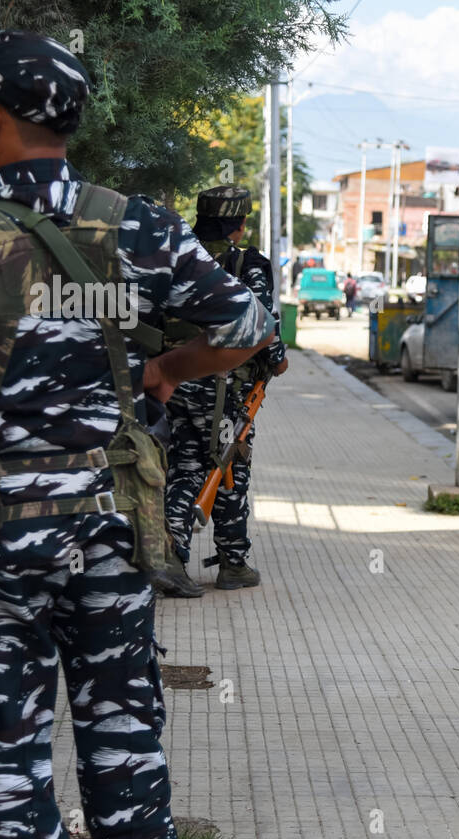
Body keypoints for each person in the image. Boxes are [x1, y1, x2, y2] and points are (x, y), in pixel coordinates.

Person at [0, 30, 276, 839]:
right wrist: (166, 365)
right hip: (111, 529)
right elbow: (248, 327)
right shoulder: (140, 229)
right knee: (125, 748)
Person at [154, 186, 288, 598]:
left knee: (201, 461)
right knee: (221, 463)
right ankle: (181, 557)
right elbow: (262, 325)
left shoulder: (176, 254)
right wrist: (278, 360)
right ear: (240, 223)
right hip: (223, 383)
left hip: (172, 377)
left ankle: (230, 560)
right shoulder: (247, 263)